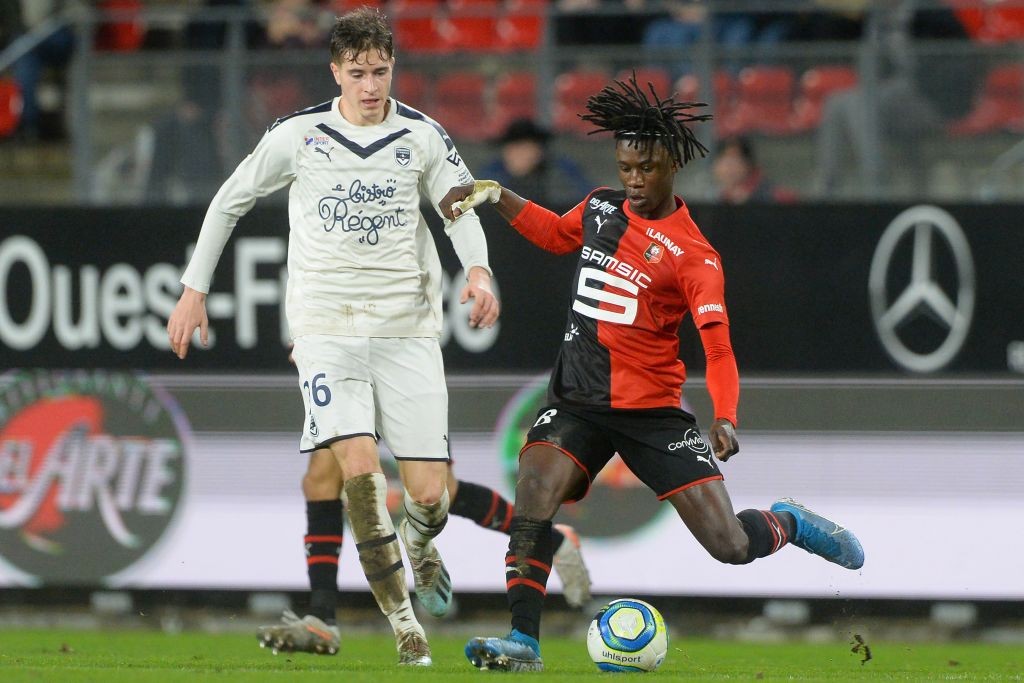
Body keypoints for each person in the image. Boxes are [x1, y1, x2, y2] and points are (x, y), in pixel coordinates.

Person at [441, 74, 865, 672]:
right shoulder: (599, 207)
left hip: (652, 414)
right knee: (534, 491)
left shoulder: (695, 257)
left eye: (644, 168)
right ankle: (524, 643)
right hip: (579, 402)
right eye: (625, 167)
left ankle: (788, 522)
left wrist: (725, 416)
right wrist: (495, 194)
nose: (633, 180)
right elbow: (554, 234)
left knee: (730, 546)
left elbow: (718, 350)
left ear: (670, 164)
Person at [167, 7, 500, 666]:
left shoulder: (423, 136)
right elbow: (230, 198)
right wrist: (193, 288)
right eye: (358, 72)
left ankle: (423, 541)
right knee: (358, 471)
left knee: (429, 492)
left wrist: (481, 269)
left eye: (380, 71)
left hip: (406, 329)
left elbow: (458, 205)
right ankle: (407, 630)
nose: (370, 85)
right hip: (324, 328)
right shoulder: (299, 135)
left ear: (392, 68)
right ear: (335, 71)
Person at [254, 350, 593, 656]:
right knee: (321, 479)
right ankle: (322, 616)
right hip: (344, 356)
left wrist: (477, 276)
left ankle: (556, 541)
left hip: (399, 354)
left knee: (441, 492)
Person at [479, 117, 592, 208]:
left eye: (524, 149)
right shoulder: (492, 175)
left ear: (538, 152)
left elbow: (586, 201)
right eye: (513, 149)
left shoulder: (560, 173)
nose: (518, 155)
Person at [712, 135, 797, 204]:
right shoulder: (722, 198)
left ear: (748, 164)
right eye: (725, 162)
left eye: (734, 162)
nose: (728, 169)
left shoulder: (777, 197)